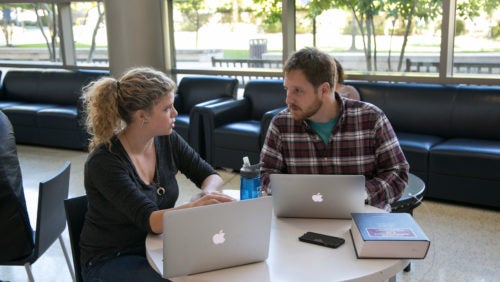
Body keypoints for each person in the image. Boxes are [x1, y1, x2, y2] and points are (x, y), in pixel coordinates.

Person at [80, 67, 235, 282]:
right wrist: (196, 207)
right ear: (142, 116)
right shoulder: (105, 162)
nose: (175, 113)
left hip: (157, 245)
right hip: (112, 258)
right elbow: (151, 220)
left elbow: (210, 175)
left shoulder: (166, 140)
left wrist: (208, 194)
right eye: (167, 108)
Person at [260, 47, 409, 209]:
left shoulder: (371, 118)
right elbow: (266, 174)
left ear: (324, 90)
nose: (288, 99)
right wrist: (293, 195)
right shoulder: (281, 124)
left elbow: (398, 174)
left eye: (297, 90)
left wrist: (358, 195)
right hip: (302, 216)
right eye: (286, 89)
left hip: (363, 215)